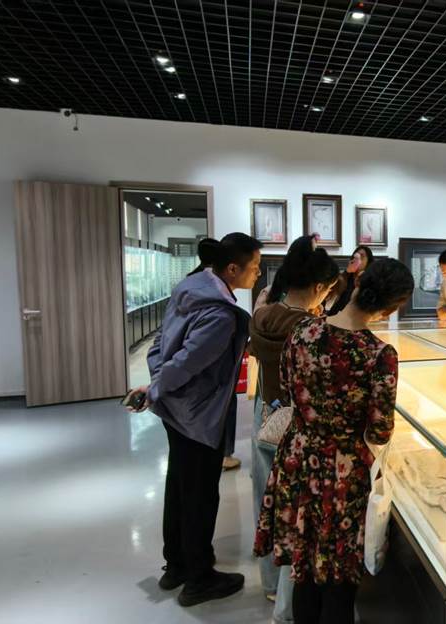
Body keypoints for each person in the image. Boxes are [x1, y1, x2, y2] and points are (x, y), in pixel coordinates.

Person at [254, 259, 414, 624]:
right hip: (343, 474)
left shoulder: (303, 331)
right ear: (390, 308)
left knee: (305, 568)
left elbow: (287, 386)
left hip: (298, 459)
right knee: (339, 575)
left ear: (358, 285)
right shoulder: (380, 355)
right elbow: (380, 430)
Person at [129, 232, 262, 607]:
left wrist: (157, 384)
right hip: (198, 413)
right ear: (232, 268)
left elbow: (161, 345)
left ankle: (177, 565)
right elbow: (187, 361)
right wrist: (158, 387)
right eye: (254, 266)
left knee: (180, 487)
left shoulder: (189, 289)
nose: (257, 273)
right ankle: (199, 578)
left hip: (177, 409)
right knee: (200, 495)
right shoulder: (219, 314)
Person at [249, 242, 339, 614]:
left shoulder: (262, 313)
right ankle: (286, 610)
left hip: (264, 417)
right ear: (319, 287)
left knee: (266, 505)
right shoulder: (313, 330)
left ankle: (270, 584)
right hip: (296, 428)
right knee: (298, 519)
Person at [187, 238, 243, 472]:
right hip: (215, 368)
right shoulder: (215, 287)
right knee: (224, 405)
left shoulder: (191, 280)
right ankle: (224, 454)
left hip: (195, 377)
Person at [326, 245, 374, 316]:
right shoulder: (346, 276)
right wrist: (347, 272)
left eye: (362, 256)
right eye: (356, 256)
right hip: (335, 316)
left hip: (356, 318)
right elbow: (332, 292)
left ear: (368, 261)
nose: (358, 259)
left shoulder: (370, 280)